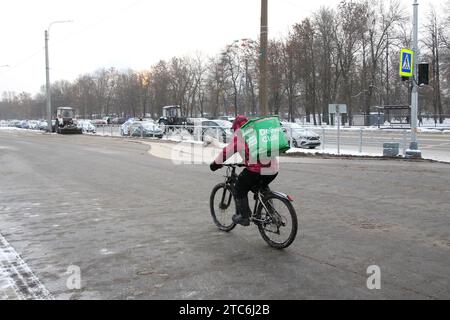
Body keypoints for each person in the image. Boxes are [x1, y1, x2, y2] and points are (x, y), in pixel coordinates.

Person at [210, 115, 279, 226]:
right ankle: (273, 214)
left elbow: (226, 152)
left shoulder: (240, 136)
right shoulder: (257, 131)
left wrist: (215, 164)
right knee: (262, 186)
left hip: (257, 170)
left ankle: (244, 216)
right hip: (273, 169)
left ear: (236, 127)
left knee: (239, 187)